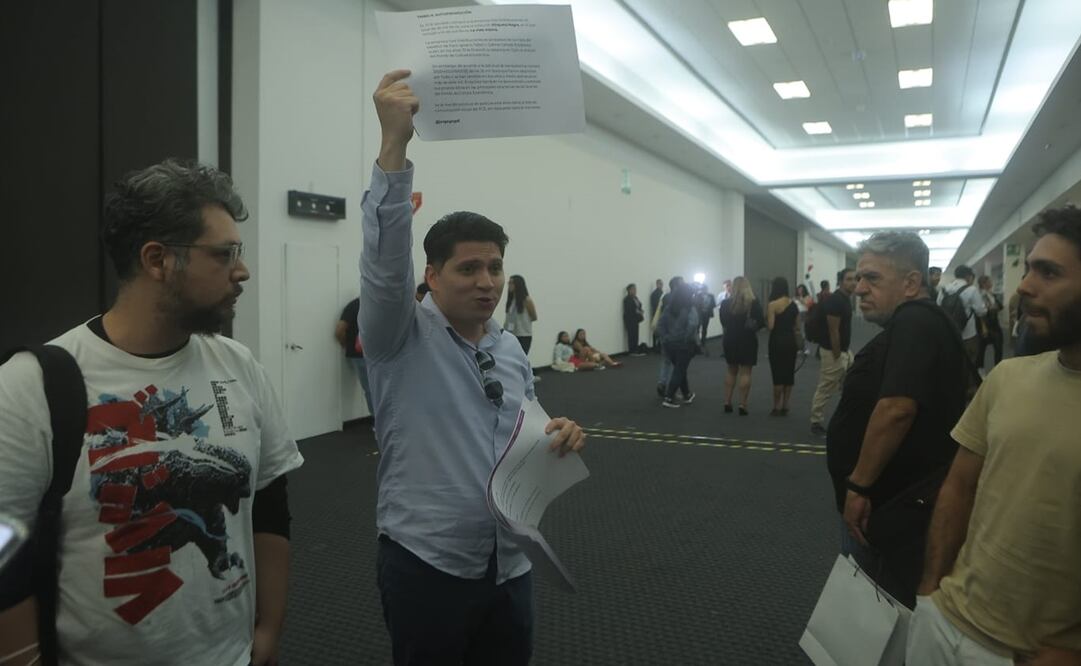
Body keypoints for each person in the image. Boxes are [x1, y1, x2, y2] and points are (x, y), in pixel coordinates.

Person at [0, 160, 304, 666]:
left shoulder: (239, 366)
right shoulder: (31, 386)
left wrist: (268, 629)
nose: (242, 270)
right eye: (223, 254)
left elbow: (269, 502)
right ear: (158, 260)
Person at [360, 70, 585, 666]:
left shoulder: (509, 349)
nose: (487, 282)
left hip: (510, 560)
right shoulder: (398, 337)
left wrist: (555, 432)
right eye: (468, 269)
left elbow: (523, 427)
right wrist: (394, 147)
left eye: (495, 268)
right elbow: (383, 268)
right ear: (431, 275)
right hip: (427, 559)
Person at [909, 207, 1081, 665]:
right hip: (944, 620)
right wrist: (930, 590)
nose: (1024, 286)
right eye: (1028, 268)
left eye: (1048, 272)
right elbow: (959, 487)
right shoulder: (1007, 377)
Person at [828, 231, 967, 609]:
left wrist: (858, 485)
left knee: (881, 618)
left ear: (910, 283)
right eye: (859, 279)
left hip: (888, 510)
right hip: (894, 505)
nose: (859, 289)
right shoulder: (916, 323)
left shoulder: (915, 321)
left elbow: (896, 409)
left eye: (872, 279)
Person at [809, 268, 857, 436]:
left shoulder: (844, 299)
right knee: (825, 387)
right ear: (841, 281)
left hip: (843, 351)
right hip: (833, 352)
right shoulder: (836, 301)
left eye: (855, 279)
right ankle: (816, 422)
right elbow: (833, 331)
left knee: (850, 381)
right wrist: (838, 355)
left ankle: (847, 417)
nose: (853, 282)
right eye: (849, 279)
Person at [718, 276, 764, 415]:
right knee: (745, 372)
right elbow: (761, 322)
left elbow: (723, 321)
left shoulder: (726, 303)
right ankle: (742, 404)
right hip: (748, 340)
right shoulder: (753, 303)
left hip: (730, 339)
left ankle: (727, 401)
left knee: (731, 370)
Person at [656, 284, 699, 408]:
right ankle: (669, 397)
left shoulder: (669, 308)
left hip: (669, 345)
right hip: (683, 345)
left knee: (680, 368)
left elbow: (660, 325)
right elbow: (693, 324)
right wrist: (686, 338)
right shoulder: (689, 308)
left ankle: (687, 394)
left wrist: (665, 338)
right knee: (679, 370)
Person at [937, 265, 987, 367]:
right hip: (968, 334)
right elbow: (981, 311)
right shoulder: (972, 289)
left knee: (952, 363)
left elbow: (938, 307)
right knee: (969, 363)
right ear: (968, 276)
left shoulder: (944, 290)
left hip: (949, 333)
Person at [766, 277, 800, 416]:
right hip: (790, 341)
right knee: (789, 374)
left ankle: (776, 406)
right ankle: (786, 405)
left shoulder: (772, 305)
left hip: (776, 341)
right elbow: (797, 327)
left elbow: (771, 326)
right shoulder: (794, 304)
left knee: (777, 374)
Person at [336, 296, 373, 415]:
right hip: (374, 355)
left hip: (358, 354)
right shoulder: (380, 304)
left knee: (370, 390)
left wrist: (346, 345)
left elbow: (339, 331)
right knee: (376, 390)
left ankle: (379, 421)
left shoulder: (354, 305)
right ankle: (381, 421)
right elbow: (339, 331)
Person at [652, 277, 683, 394]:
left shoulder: (664, 297)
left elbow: (660, 317)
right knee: (678, 364)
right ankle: (673, 389)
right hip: (678, 336)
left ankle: (662, 382)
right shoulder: (682, 299)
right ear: (677, 285)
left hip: (665, 335)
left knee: (666, 361)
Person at [504, 274, 538, 355]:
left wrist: (522, 322)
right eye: (509, 282)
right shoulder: (511, 301)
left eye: (511, 282)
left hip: (523, 335)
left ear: (518, 284)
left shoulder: (527, 300)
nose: (509, 285)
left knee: (520, 359)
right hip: (510, 334)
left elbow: (534, 317)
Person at [976, 275, 1003, 369]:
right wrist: (983, 327)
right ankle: (980, 370)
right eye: (989, 281)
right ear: (984, 283)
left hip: (995, 324)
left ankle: (998, 369)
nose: (991, 283)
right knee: (981, 350)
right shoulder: (979, 295)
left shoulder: (991, 294)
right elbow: (980, 312)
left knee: (998, 348)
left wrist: (992, 307)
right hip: (985, 325)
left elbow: (1000, 306)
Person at [622, 283, 645, 355]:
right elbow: (629, 310)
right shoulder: (627, 299)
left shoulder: (636, 298)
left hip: (636, 319)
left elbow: (639, 306)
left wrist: (640, 311)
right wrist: (637, 311)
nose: (635, 291)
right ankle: (631, 350)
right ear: (629, 290)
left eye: (635, 289)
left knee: (636, 334)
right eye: (633, 289)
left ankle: (636, 349)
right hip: (630, 320)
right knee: (631, 335)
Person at [695, 284, 716, 350]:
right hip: (699, 314)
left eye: (705, 289)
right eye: (702, 289)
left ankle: (703, 342)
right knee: (697, 328)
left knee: (705, 328)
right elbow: (695, 304)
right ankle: (697, 342)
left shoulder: (711, 296)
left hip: (707, 314)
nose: (704, 290)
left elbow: (714, 304)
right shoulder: (697, 295)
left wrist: (708, 307)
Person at [649, 279, 664, 351]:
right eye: (660, 284)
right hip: (656, 314)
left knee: (660, 330)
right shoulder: (655, 294)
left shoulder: (661, 293)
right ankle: (655, 345)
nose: (661, 285)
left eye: (662, 284)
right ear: (657, 284)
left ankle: (659, 345)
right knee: (656, 330)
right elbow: (654, 305)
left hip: (660, 314)